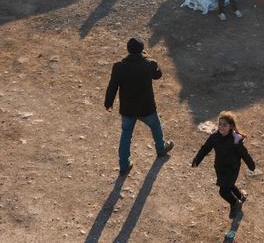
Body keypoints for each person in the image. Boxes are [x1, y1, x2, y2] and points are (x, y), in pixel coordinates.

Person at [104, 37, 175, 175]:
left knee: (126, 135)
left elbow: (112, 87)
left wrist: (108, 103)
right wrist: (151, 59)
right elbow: (158, 75)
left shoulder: (119, 67)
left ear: (128, 50)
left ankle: (124, 165)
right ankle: (161, 149)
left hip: (127, 109)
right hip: (146, 107)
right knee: (156, 126)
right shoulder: (149, 64)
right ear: (142, 50)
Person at [191, 111, 256, 219]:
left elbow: (244, 153)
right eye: (220, 124)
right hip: (220, 168)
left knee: (223, 191)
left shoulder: (235, 139)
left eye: (224, 125)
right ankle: (240, 196)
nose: (221, 127)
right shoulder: (214, 137)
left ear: (231, 126)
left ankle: (235, 203)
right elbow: (205, 148)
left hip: (232, 168)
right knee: (228, 185)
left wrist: (251, 165)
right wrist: (197, 159)